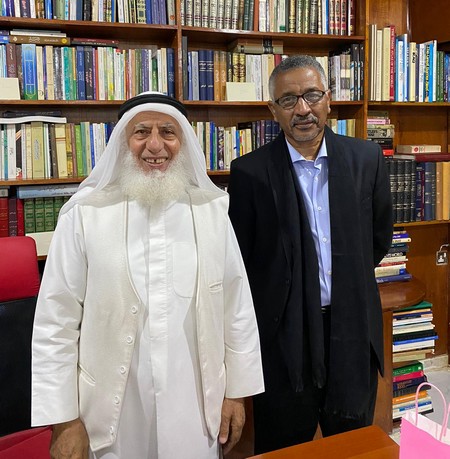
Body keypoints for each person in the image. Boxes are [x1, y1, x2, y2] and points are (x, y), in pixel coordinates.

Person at [31, 92, 264, 459]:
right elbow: (55, 323)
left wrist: (236, 394)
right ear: (123, 141)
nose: (155, 145)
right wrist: (64, 420)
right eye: (141, 132)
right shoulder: (84, 215)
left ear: (183, 141)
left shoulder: (212, 212)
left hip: (196, 410)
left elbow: (236, 309)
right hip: (111, 416)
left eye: (168, 132)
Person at [228, 55, 393, 454]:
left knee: (352, 444)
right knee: (284, 446)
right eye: (289, 100)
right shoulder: (249, 172)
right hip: (283, 338)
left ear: (328, 99)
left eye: (312, 95)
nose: (302, 109)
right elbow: (243, 259)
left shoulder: (366, 159)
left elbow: (378, 239)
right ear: (273, 110)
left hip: (352, 328)